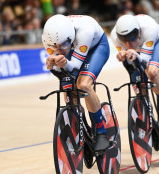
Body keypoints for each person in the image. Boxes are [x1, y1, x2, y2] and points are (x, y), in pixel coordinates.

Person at [42, 14, 110, 151]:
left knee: (83, 85)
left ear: (70, 37)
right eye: (56, 47)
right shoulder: (48, 39)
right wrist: (52, 64)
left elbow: (75, 67)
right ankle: (83, 129)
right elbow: (60, 66)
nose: (60, 50)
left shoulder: (85, 31)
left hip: (95, 48)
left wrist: (64, 62)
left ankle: (101, 131)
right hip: (74, 49)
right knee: (68, 90)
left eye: (64, 45)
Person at [110, 14, 159, 128]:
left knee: (152, 73)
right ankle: (146, 113)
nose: (128, 44)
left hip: (157, 42)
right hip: (138, 51)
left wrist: (134, 54)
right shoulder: (114, 36)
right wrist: (122, 55)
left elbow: (144, 61)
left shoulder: (149, 29)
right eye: (123, 39)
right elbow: (130, 64)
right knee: (138, 81)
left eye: (132, 38)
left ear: (139, 32)